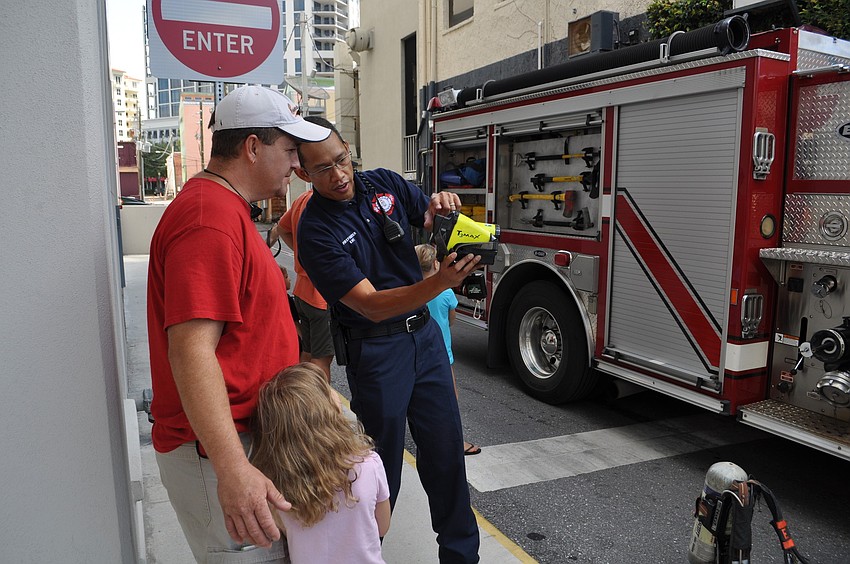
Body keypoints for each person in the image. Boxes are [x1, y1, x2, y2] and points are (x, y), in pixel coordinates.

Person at [146, 85, 330, 563]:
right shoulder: (209, 218)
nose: (296, 165)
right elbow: (191, 350)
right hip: (220, 452)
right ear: (252, 147)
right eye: (290, 150)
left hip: (242, 442)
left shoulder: (223, 210)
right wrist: (232, 470)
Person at [295, 116, 482, 563]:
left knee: (446, 462)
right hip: (376, 350)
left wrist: (442, 204)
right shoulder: (315, 230)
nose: (339, 175)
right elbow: (371, 304)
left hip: (425, 338)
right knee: (378, 474)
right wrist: (438, 284)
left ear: (349, 149)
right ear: (302, 173)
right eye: (322, 169)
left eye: (342, 160)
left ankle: (462, 558)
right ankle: (360, 555)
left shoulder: (383, 183)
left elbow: (428, 217)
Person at [251, 362, 391, 563]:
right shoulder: (368, 463)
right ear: (327, 411)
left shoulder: (275, 482)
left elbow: (281, 527)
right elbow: (382, 526)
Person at [415, 244, 481, 456]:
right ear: (436, 264)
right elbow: (451, 320)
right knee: (449, 398)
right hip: (442, 353)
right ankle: (454, 442)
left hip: (416, 350)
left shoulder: (412, 289)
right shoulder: (445, 293)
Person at [267, 188, 334, 381]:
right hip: (320, 294)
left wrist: (300, 253)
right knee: (321, 358)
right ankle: (317, 407)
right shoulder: (325, 202)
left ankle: (303, 401)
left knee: (307, 353)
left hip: (303, 293)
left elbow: (282, 228)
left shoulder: (303, 198)